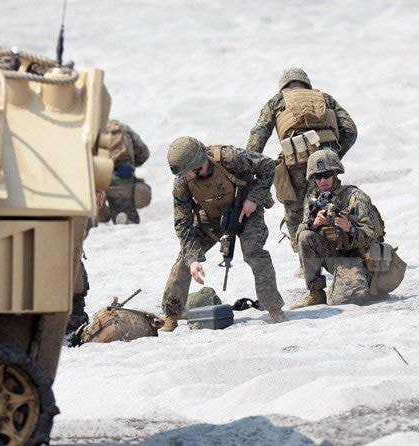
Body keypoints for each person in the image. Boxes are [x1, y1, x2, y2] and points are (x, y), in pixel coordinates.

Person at [160, 136, 287, 331]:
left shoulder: (229, 158)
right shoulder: (182, 183)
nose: (183, 177)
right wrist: (193, 259)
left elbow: (268, 166)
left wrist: (253, 199)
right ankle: (170, 316)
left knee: (254, 253)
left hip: (246, 211)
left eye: (186, 172)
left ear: (197, 165)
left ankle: (274, 309)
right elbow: (182, 223)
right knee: (183, 262)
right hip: (212, 218)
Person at [246, 67, 357, 255]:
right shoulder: (325, 98)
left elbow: (258, 135)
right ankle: (338, 252)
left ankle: (304, 262)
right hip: (326, 162)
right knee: (327, 206)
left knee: (295, 213)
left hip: (295, 164)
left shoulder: (277, 101)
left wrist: (250, 167)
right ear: (306, 84)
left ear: (283, 87)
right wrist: (333, 157)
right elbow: (350, 130)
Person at [292, 150, 383, 309]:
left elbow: (373, 235)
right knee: (305, 236)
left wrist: (350, 228)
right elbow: (298, 235)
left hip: (359, 260)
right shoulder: (315, 200)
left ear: (335, 173)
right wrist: (315, 224)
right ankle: (316, 294)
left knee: (345, 301)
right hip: (334, 258)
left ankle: (365, 283)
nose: (322, 180)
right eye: (317, 177)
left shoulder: (355, 197)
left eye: (326, 174)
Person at [97, 119, 151, 224]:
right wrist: (131, 162)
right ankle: (125, 222)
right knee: (126, 218)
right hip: (124, 174)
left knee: (95, 215)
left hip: (100, 176)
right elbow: (144, 153)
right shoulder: (122, 128)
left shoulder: (91, 131)